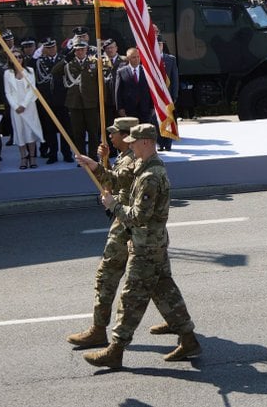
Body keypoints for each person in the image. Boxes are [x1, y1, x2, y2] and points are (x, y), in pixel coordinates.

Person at [81, 123, 200, 368]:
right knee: (165, 290)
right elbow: (119, 179)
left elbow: (138, 216)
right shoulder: (144, 166)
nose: (130, 145)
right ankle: (188, 339)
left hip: (146, 247)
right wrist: (95, 166)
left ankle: (116, 349)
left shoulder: (150, 177)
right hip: (152, 243)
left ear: (146, 142)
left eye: (134, 142)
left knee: (131, 297)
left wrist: (113, 205)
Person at [67, 116, 141, 348]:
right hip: (128, 222)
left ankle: (99, 331)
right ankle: (181, 327)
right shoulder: (126, 156)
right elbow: (114, 185)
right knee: (157, 282)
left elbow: (116, 183)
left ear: (127, 136)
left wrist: (97, 166)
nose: (110, 135)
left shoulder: (132, 160)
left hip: (126, 225)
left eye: (114, 132)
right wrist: (104, 159)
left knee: (106, 275)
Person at [54, 41, 104, 159]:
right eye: (77, 50)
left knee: (93, 132)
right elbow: (54, 72)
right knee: (78, 133)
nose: (80, 52)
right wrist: (66, 59)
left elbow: (100, 83)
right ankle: (81, 157)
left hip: (91, 103)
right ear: (74, 51)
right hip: (74, 103)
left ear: (86, 49)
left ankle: (92, 156)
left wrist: (102, 101)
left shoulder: (94, 62)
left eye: (82, 49)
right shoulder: (69, 63)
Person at [35, 37, 74, 164]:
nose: (51, 50)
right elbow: (40, 78)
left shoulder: (63, 59)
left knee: (66, 129)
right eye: (48, 48)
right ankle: (52, 154)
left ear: (56, 47)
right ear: (44, 49)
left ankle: (67, 153)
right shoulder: (40, 61)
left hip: (63, 100)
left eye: (53, 47)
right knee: (50, 130)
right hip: (48, 101)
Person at [3, 49, 44, 169]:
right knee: (19, 132)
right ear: (10, 59)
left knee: (29, 132)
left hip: (29, 107)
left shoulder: (30, 71)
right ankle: (23, 158)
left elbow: (32, 89)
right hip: (16, 109)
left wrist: (24, 105)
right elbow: (7, 92)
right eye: (15, 57)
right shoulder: (7, 73)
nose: (18, 59)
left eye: (20, 57)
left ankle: (32, 158)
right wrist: (16, 106)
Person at [115, 47, 154, 124]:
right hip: (129, 109)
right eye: (133, 57)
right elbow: (118, 92)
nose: (136, 59)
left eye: (138, 57)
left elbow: (151, 90)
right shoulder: (121, 72)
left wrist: (152, 107)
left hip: (145, 109)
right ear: (128, 58)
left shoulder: (147, 71)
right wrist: (120, 108)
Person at [158, 39, 179, 151]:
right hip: (156, 95)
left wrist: (175, 94)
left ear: (163, 45)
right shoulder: (150, 59)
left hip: (168, 94)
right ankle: (160, 143)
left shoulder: (170, 59)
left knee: (168, 119)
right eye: (156, 44)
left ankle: (168, 143)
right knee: (158, 120)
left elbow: (175, 78)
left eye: (160, 44)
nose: (158, 46)